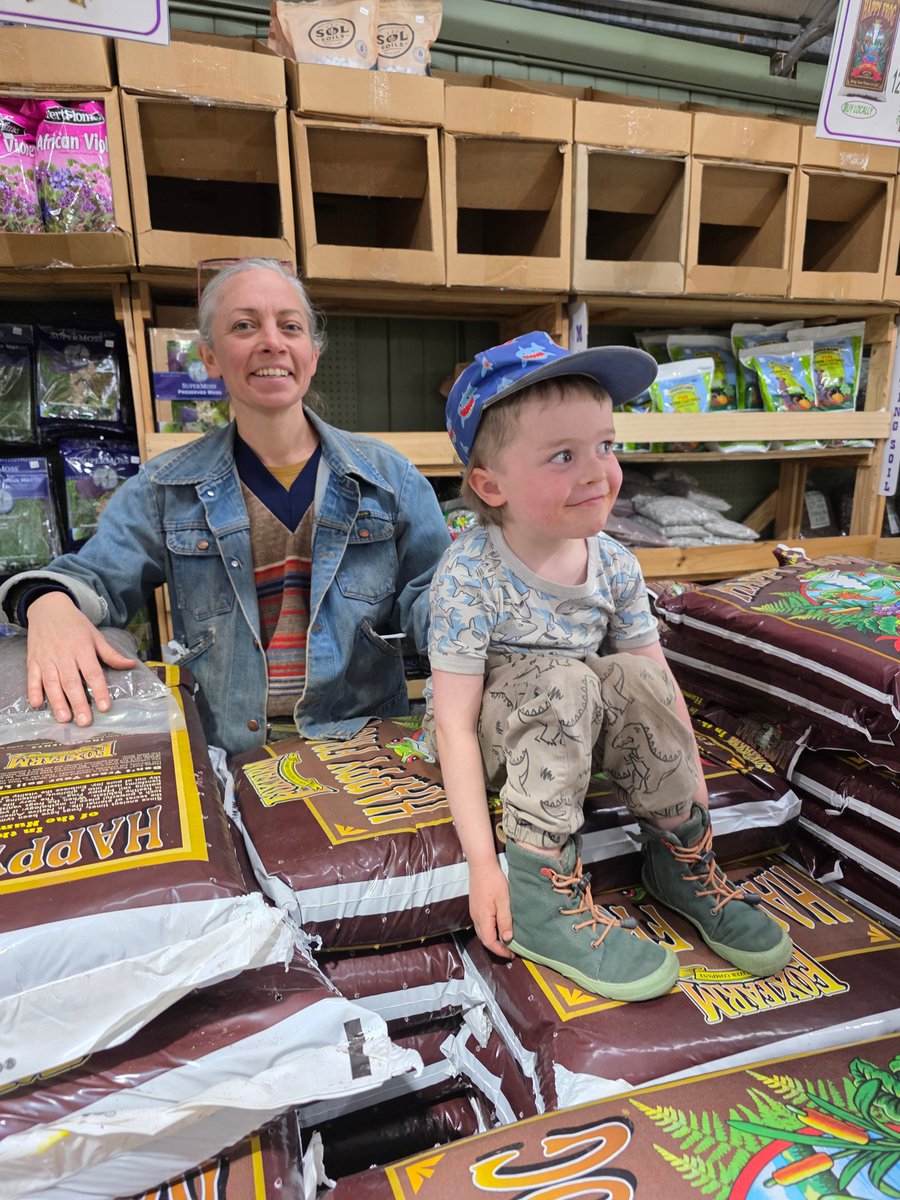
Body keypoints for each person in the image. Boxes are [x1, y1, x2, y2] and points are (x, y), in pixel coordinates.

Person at [425, 331, 792, 1001]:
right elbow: (452, 723)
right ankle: (543, 902)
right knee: (564, 680)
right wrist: (485, 863)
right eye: (563, 455)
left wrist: (693, 801)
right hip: (493, 739)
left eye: (605, 445)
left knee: (636, 675)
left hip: (576, 731)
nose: (598, 472)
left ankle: (679, 864)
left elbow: (655, 681)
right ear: (489, 484)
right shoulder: (467, 574)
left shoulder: (615, 560)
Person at [0, 259, 450, 757]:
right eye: (244, 325)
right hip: (231, 754)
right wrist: (47, 602)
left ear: (313, 353)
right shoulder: (165, 488)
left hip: (367, 747)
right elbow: (98, 577)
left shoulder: (390, 479)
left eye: (290, 326)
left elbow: (432, 592)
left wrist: (489, 628)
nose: (272, 342)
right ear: (210, 357)